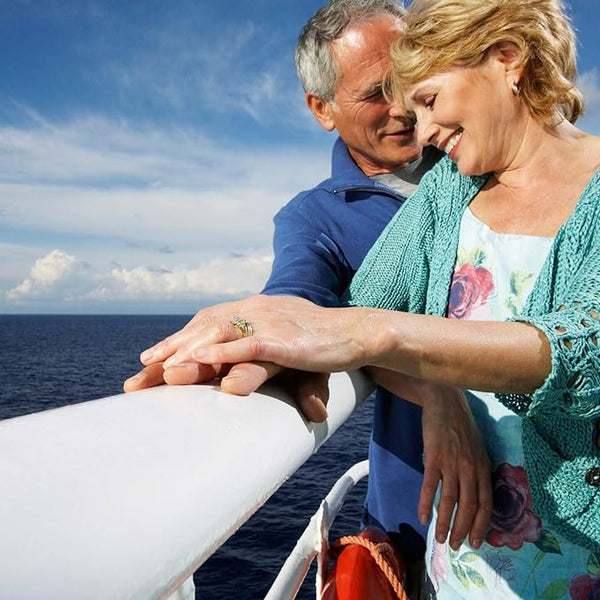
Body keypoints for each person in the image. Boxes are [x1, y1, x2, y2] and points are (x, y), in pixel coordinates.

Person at [145, 0, 600, 597]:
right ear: (322, 108)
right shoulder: (443, 193)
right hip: (457, 558)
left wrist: (385, 335)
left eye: (426, 99)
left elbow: (583, 344)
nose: (420, 127)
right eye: (393, 100)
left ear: (507, 59)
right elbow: (330, 307)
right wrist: (266, 326)